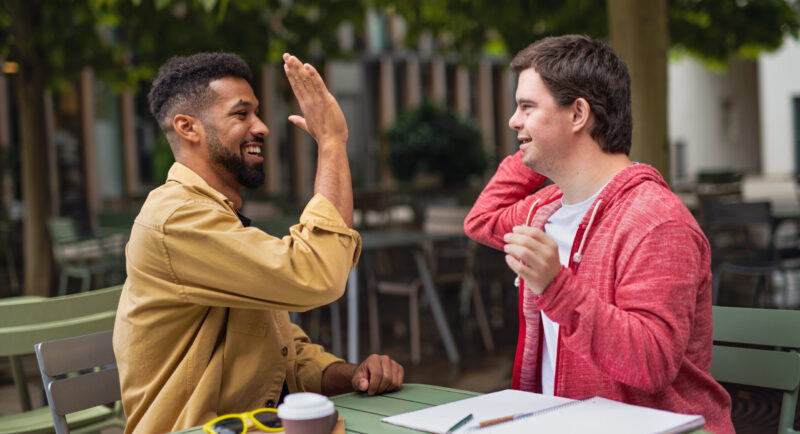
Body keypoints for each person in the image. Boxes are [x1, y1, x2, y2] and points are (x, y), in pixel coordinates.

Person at [113, 52, 404, 433]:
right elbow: (316, 274)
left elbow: (282, 350)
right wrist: (332, 143)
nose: (262, 127)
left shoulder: (214, 214)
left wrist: (351, 375)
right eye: (241, 114)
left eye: (257, 113)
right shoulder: (176, 218)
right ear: (188, 127)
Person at [464, 35, 734, 433]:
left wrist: (555, 286)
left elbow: (651, 363)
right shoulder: (546, 208)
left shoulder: (657, 221)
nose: (513, 120)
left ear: (578, 114)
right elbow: (482, 219)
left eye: (526, 107)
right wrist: (537, 150)